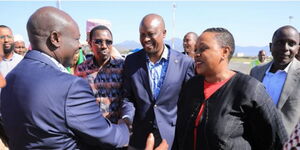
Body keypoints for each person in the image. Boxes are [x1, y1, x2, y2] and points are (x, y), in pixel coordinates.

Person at [0, 6, 130, 149]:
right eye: (76, 39)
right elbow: (109, 136)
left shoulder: (10, 78)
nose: (79, 46)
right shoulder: (69, 86)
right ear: (55, 38)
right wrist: (125, 126)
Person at [174, 28, 288, 150]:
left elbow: (276, 140)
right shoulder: (191, 86)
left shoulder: (250, 90)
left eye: (203, 49)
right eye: (196, 49)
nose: (196, 54)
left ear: (224, 52)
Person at [121, 14, 194, 150]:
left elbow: (188, 103)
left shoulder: (184, 63)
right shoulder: (131, 61)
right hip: (140, 136)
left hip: (171, 137)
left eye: (151, 34)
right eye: (142, 35)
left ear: (164, 33)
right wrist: (127, 117)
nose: (146, 39)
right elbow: (127, 97)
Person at [250, 25, 300, 136]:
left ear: (297, 49)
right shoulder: (256, 72)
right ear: (271, 46)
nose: (285, 48)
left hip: (287, 143)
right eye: (280, 42)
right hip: (255, 139)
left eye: (291, 44)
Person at [77, 25, 125, 124]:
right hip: (91, 128)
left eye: (108, 42)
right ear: (90, 44)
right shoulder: (81, 70)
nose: (104, 46)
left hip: (117, 128)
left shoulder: (122, 67)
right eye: (98, 42)